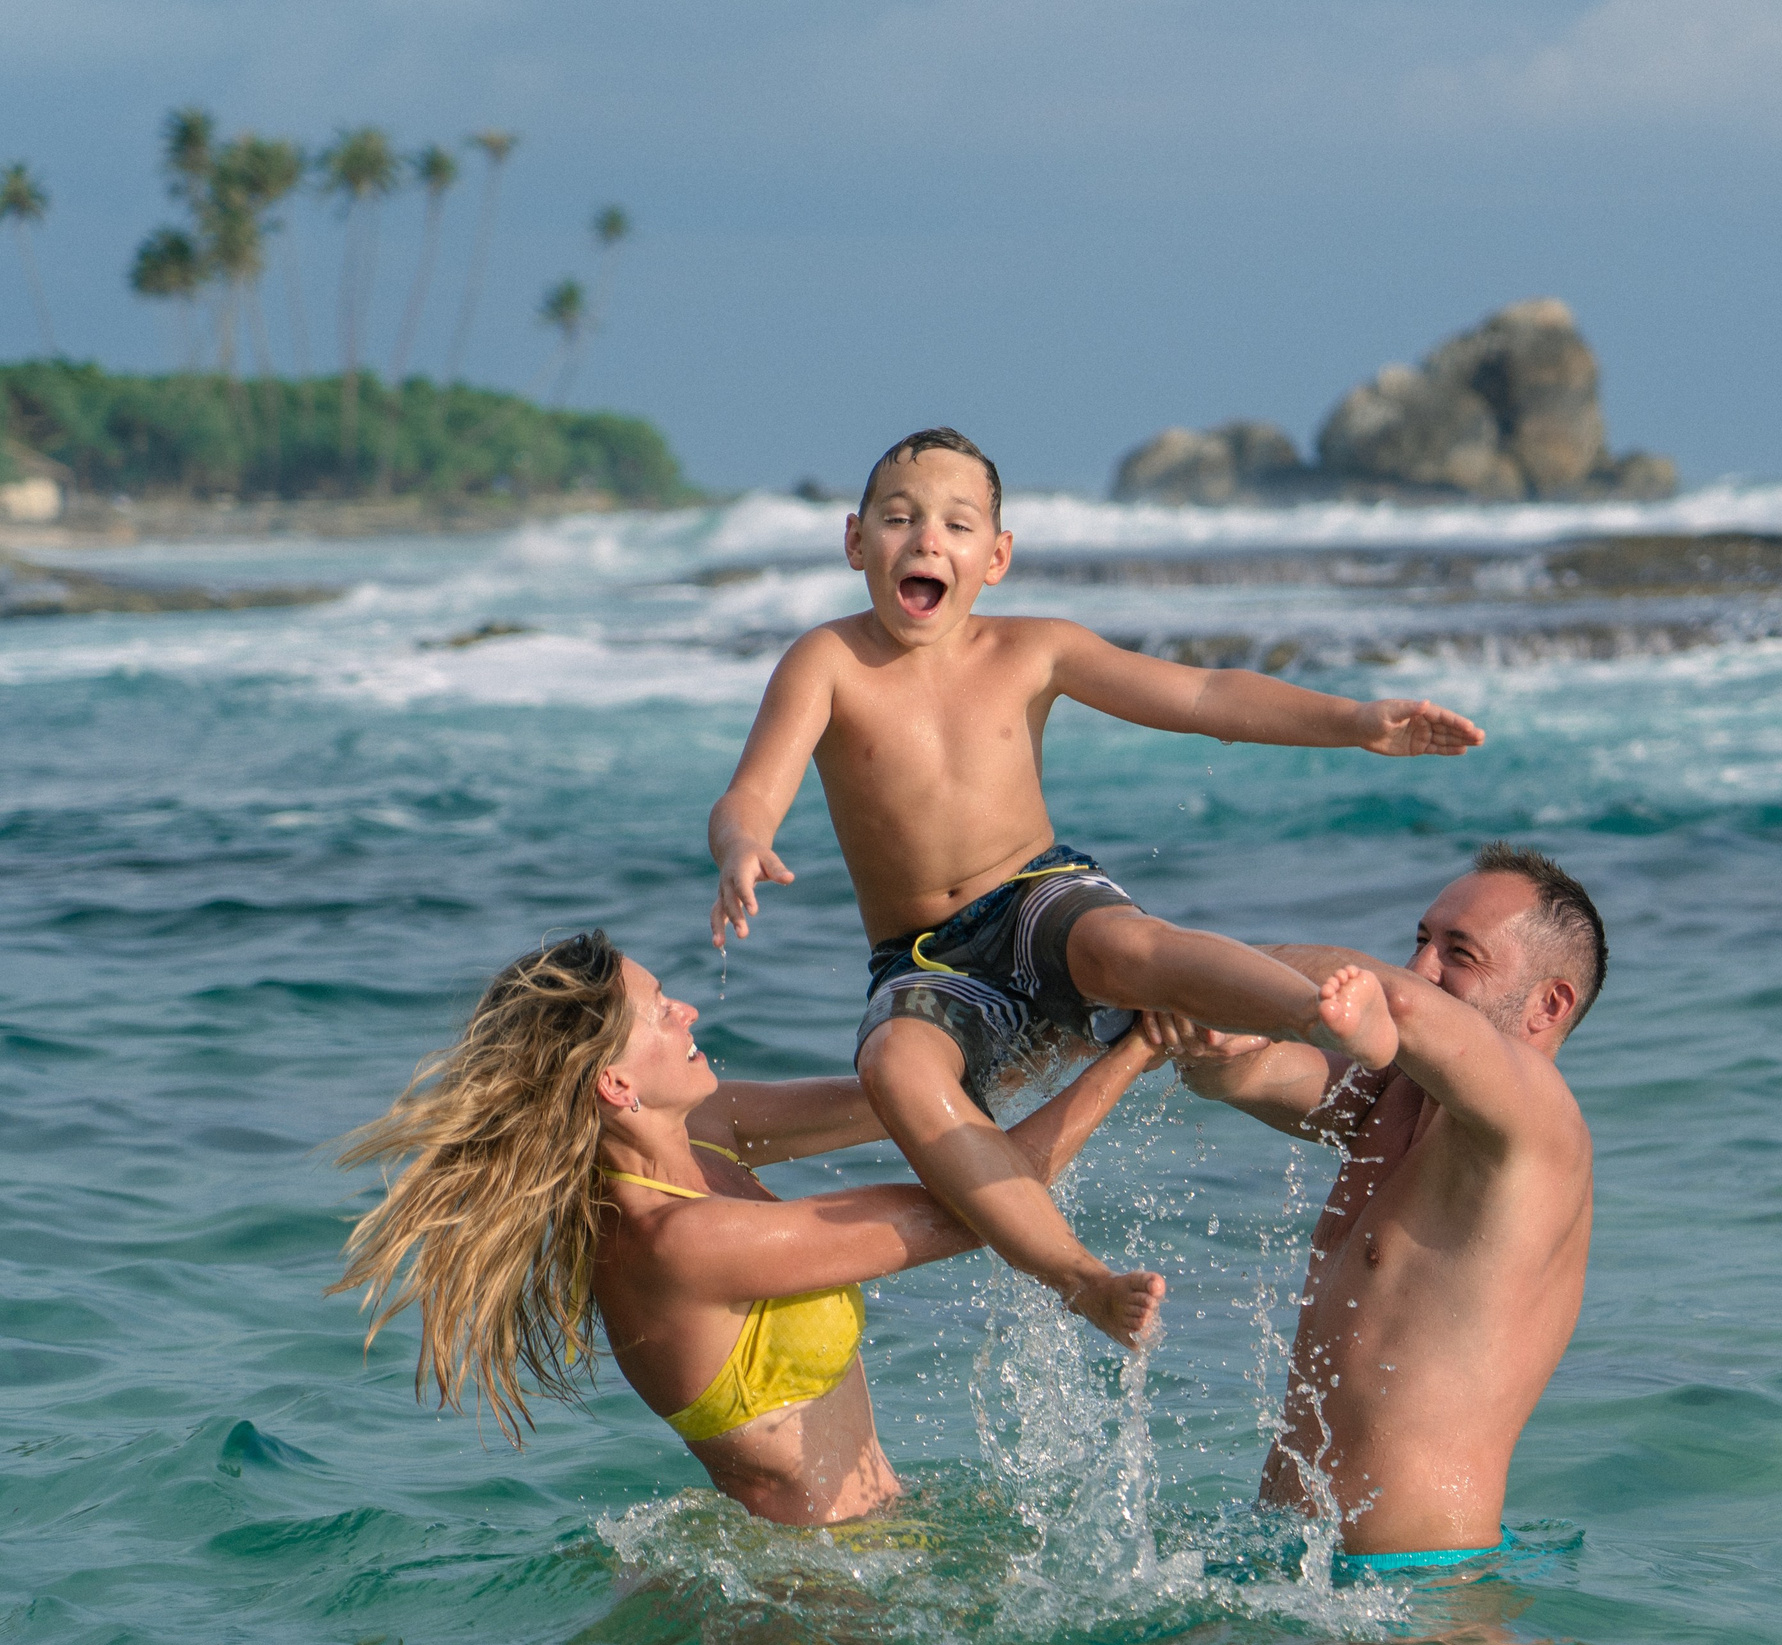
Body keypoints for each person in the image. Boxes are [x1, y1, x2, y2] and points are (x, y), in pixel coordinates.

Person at [705, 426, 1484, 1348]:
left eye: (956, 524)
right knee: (892, 1070)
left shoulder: (1036, 650)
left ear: (995, 558)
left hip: (1037, 898)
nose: (925, 540)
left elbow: (1202, 698)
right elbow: (753, 788)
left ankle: (1318, 1013)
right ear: (853, 541)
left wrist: (1354, 720)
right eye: (899, 518)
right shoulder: (825, 663)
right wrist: (743, 845)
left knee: (1130, 949)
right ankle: (1078, 1277)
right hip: (922, 962)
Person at [331, 930, 1164, 1527]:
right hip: (801, 1602)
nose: (687, 1010)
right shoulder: (678, 1241)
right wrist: (1140, 1054)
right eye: (660, 1010)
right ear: (617, 1084)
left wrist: (1091, 1021)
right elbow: (983, 1203)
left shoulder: (705, 1128)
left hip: (865, 1558)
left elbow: (932, 1100)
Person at [1150, 843, 1602, 1573]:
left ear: (1548, 1004)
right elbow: (1252, 1072)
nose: (1424, 964)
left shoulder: (1536, 1122)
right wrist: (1214, 1040)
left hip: (1416, 1584)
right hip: (1289, 1561)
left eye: (1461, 952)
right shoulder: (1392, 1098)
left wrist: (1165, 961)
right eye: (1421, 940)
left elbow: (1398, 1002)